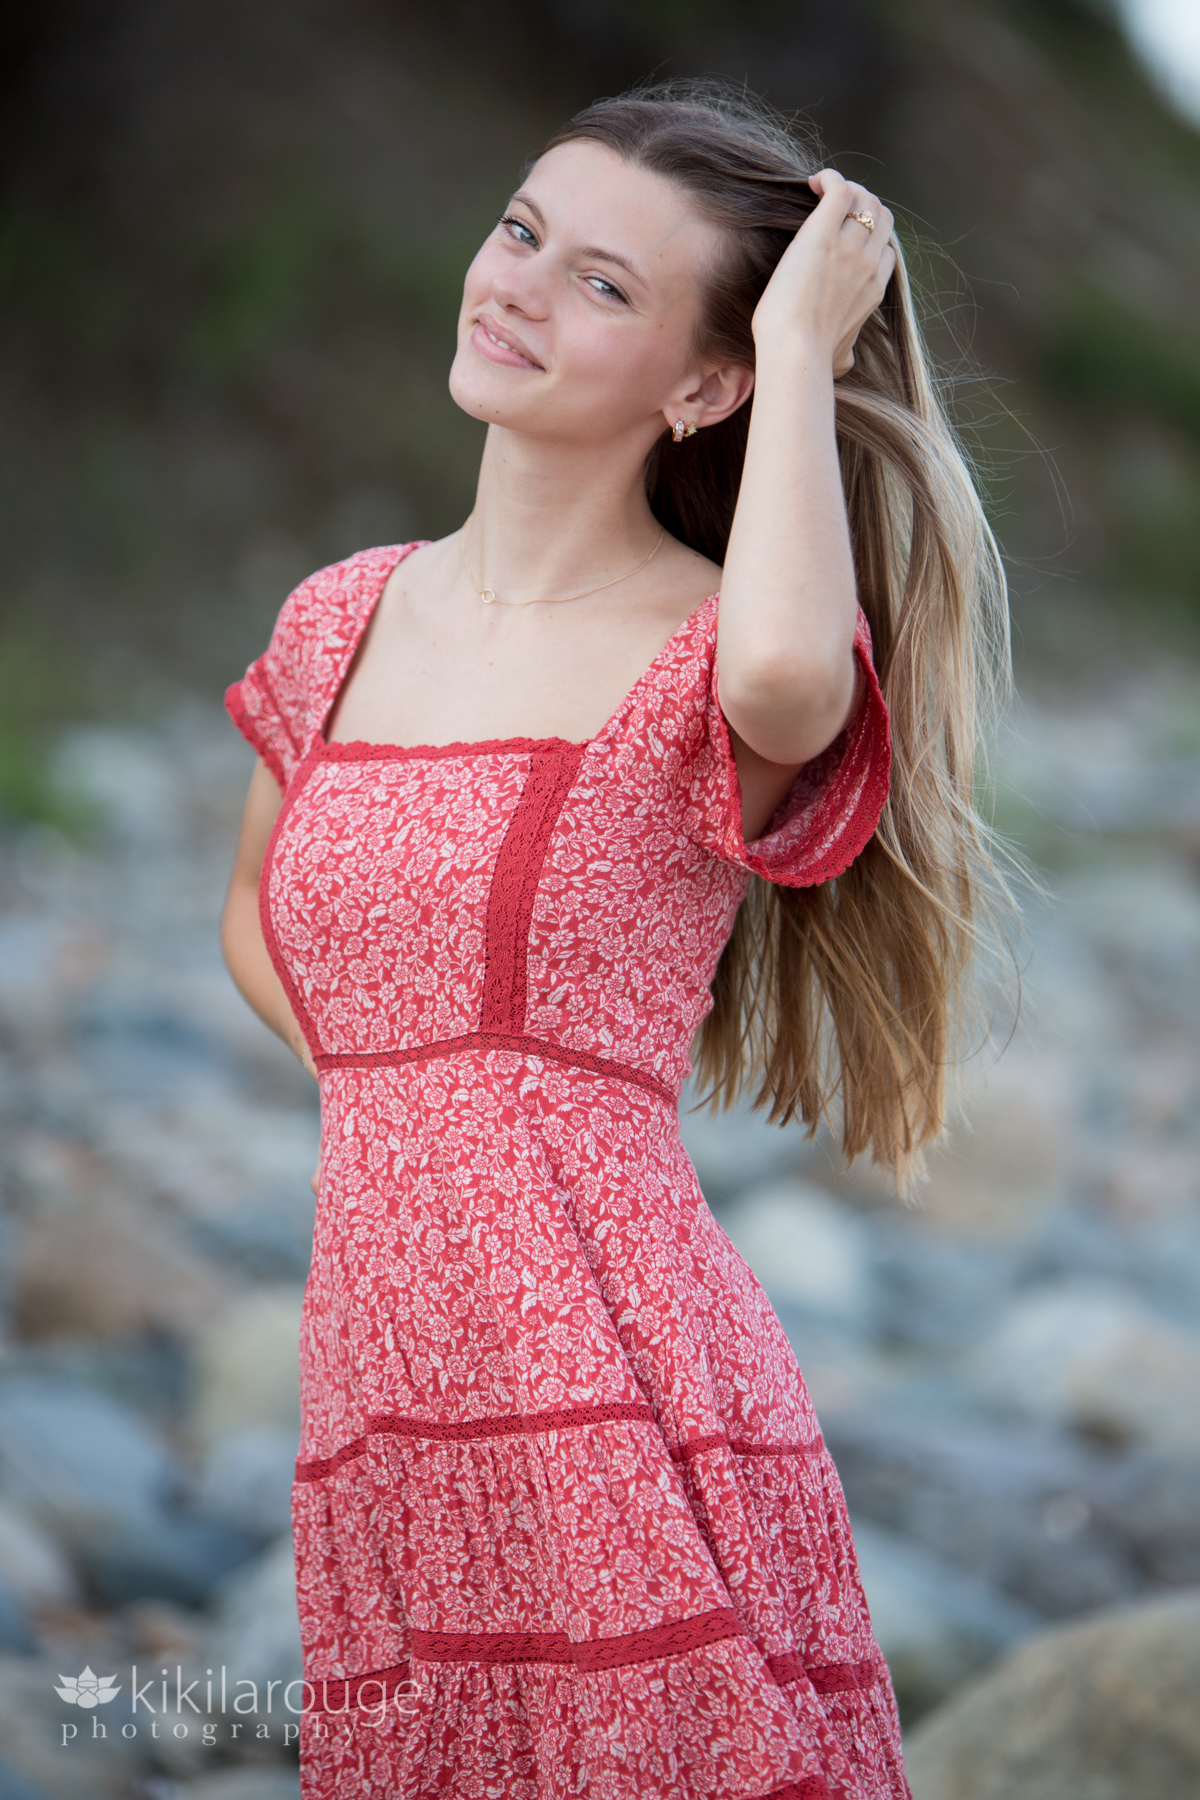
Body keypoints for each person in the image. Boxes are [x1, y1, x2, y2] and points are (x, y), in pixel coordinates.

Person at [221, 79, 1008, 1800]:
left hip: (612, 1368)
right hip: (388, 1363)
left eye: (604, 285)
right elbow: (260, 924)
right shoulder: (342, 616)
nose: (515, 284)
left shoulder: (718, 651)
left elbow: (799, 681)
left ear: (704, 383)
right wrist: (422, 1124)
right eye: (521, 232)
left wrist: (807, 346)